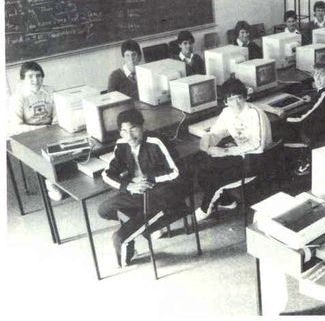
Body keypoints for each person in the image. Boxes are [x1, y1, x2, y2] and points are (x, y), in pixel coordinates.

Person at [98, 109, 187, 267]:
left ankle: (123, 240)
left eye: (133, 129)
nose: (130, 136)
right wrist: (129, 186)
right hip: (136, 191)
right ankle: (148, 226)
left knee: (126, 231)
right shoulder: (122, 144)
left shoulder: (156, 141)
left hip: (162, 191)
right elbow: (106, 174)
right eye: (124, 131)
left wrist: (150, 178)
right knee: (104, 209)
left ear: (142, 127)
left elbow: (177, 172)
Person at [194, 78, 272, 220]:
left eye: (239, 98)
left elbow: (257, 144)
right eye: (230, 100)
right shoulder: (227, 112)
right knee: (202, 170)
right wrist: (208, 138)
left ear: (245, 97)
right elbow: (217, 132)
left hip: (256, 159)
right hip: (239, 154)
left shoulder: (255, 113)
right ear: (225, 102)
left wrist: (225, 152)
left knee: (217, 177)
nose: (235, 104)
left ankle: (205, 209)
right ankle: (227, 201)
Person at [8, 61, 64, 201]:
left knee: (68, 145)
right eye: (30, 76)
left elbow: (59, 114)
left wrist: (56, 126)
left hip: (50, 129)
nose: (35, 80)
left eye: (38, 76)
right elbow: (16, 126)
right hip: (29, 135)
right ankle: (50, 182)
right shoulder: (18, 97)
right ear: (23, 79)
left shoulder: (50, 91)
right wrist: (42, 129)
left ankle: (63, 179)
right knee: (46, 154)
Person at [284, 63, 325, 175]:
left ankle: (306, 162)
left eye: (321, 75)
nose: (317, 78)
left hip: (321, 132)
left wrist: (285, 118)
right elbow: (321, 97)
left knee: (286, 130)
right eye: (315, 74)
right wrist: (313, 98)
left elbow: (302, 119)